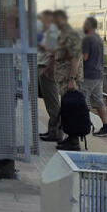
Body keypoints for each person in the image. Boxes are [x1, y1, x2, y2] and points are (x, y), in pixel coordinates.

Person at [53, 10, 84, 150]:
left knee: (72, 110)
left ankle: (73, 141)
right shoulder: (63, 35)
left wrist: (72, 79)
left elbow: (75, 59)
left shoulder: (72, 35)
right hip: (63, 79)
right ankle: (70, 138)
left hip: (69, 80)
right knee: (67, 109)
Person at [81, 17, 107, 137]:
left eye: (85, 24)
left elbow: (84, 57)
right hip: (98, 74)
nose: (83, 26)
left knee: (82, 100)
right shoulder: (98, 38)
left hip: (88, 75)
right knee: (99, 101)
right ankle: (106, 126)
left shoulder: (87, 39)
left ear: (89, 26)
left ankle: (84, 125)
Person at [38, 10, 62, 142]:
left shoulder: (52, 33)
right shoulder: (48, 32)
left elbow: (54, 54)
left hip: (47, 69)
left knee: (52, 103)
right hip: (44, 68)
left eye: (42, 19)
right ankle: (52, 130)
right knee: (49, 103)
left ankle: (57, 132)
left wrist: (48, 70)